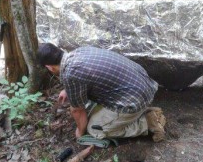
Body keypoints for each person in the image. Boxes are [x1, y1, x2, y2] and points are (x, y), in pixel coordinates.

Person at [37, 43, 166, 142]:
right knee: (92, 111)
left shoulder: (71, 73)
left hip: (134, 99)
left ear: (49, 67)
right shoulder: (79, 52)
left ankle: (148, 122)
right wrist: (67, 89)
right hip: (145, 84)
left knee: (94, 129)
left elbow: (77, 110)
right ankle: (138, 113)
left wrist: (80, 132)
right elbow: (88, 74)